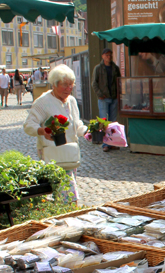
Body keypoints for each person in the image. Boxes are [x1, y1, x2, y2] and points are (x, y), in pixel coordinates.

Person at [23, 64, 86, 202]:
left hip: (70, 154)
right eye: (65, 85)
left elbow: (77, 124)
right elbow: (28, 125)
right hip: (53, 154)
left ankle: (63, 216)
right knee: (67, 193)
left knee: (64, 191)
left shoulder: (72, 101)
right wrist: (42, 131)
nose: (69, 89)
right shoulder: (43, 102)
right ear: (54, 84)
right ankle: (68, 215)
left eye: (71, 85)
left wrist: (88, 132)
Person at [91, 47, 121, 152]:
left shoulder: (115, 68)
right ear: (103, 56)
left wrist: (118, 94)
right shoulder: (98, 68)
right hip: (104, 98)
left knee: (113, 122)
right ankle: (105, 144)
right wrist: (99, 94)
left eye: (110, 55)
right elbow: (94, 83)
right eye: (107, 55)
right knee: (104, 122)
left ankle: (112, 143)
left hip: (114, 97)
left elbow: (119, 81)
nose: (109, 57)